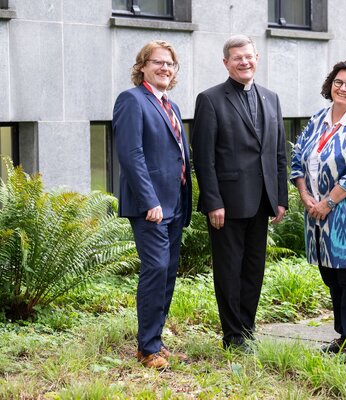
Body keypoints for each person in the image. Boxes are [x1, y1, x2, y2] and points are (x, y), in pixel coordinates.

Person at [191, 35, 287, 351]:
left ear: (256, 57)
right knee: (229, 270)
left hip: (262, 201)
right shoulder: (210, 99)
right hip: (227, 204)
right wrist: (213, 200)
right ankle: (233, 336)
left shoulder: (271, 98)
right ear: (226, 63)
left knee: (254, 270)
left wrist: (280, 198)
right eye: (237, 58)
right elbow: (203, 157)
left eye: (248, 56)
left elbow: (277, 154)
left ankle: (248, 330)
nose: (244, 62)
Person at [290, 61, 346, 361]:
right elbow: (296, 157)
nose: (343, 88)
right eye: (338, 82)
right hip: (315, 213)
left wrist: (329, 201)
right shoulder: (318, 118)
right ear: (330, 84)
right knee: (330, 275)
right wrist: (305, 195)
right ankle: (342, 335)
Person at [113, 40, 192, 369]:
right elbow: (131, 155)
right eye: (157, 62)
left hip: (174, 205)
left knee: (168, 272)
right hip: (151, 207)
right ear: (142, 66)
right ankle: (147, 348)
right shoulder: (132, 100)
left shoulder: (168, 105)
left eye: (170, 64)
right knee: (156, 269)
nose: (164, 68)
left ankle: (155, 342)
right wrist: (150, 201)